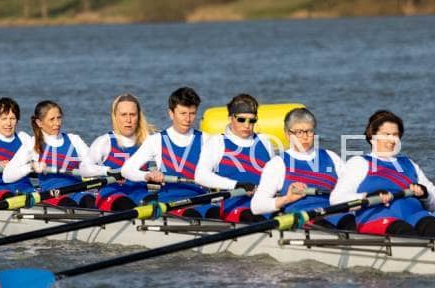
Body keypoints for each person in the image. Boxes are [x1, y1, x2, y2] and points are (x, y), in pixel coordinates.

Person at [329, 110, 435, 237]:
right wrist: (367, 196)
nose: (392, 140)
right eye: (386, 134)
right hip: (379, 219)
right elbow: (337, 199)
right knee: (404, 230)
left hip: (416, 216)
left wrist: (425, 194)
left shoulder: (409, 163)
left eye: (396, 135)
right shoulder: (359, 162)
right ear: (372, 137)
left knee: (433, 226)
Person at [251, 107, 353, 228]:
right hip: (303, 219)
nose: (305, 137)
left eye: (309, 131)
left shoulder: (332, 157)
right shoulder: (277, 164)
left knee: (352, 222)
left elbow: (353, 188)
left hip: (336, 215)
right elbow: (256, 206)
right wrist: (287, 199)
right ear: (288, 134)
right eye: (299, 132)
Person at [121, 87, 213, 217]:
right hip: (169, 203)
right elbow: (126, 170)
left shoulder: (207, 139)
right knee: (192, 215)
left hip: (200, 200)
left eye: (192, 113)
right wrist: (148, 175)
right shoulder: (156, 140)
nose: (188, 119)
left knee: (214, 213)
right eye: (183, 113)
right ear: (171, 113)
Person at [195, 93, 273, 222]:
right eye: (241, 119)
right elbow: (200, 176)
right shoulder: (217, 142)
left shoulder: (264, 141)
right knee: (256, 218)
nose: (247, 125)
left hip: (263, 206)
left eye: (252, 120)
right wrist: (236, 185)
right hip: (233, 207)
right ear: (230, 118)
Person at [3, 100, 95, 208]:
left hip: (78, 191)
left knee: (91, 202)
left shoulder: (74, 139)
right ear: (39, 123)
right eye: (52, 119)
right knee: (70, 205)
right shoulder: (33, 144)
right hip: (52, 195)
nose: (57, 123)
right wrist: (31, 167)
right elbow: (7, 175)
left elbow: (93, 163)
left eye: (59, 118)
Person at [82, 93, 156, 211]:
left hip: (139, 193)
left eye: (132, 115)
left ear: (138, 117)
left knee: (155, 205)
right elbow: (84, 168)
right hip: (112, 194)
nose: (128, 120)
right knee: (127, 205)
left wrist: (158, 173)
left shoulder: (149, 141)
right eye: (123, 115)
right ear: (115, 116)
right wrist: (107, 171)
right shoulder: (105, 141)